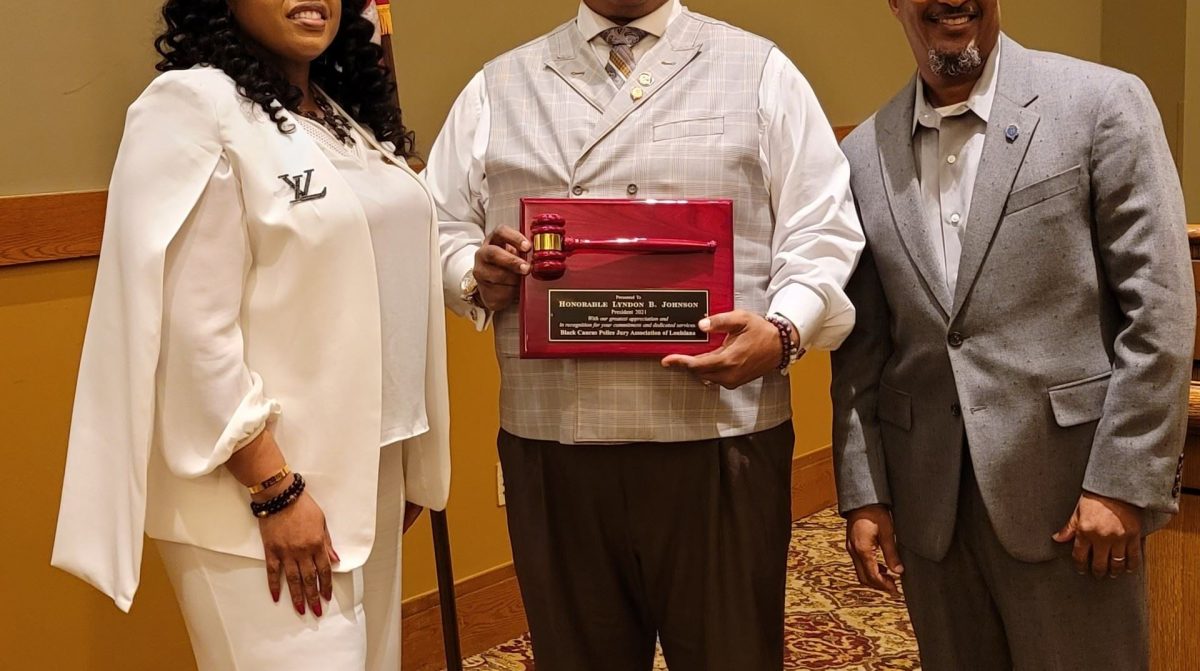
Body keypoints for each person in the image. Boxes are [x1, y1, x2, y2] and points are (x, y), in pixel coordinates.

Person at [425, 0, 864, 668]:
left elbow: (822, 227)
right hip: (555, 448)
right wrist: (472, 273)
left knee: (732, 656)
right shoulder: (497, 86)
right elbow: (437, 223)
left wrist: (784, 330)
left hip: (722, 441)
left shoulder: (760, 70)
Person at [51, 1, 450, 669]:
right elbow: (189, 331)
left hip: (367, 474)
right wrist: (275, 489)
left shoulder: (335, 113)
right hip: (262, 495)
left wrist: (402, 465)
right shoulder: (192, 106)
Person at [832, 1, 1194, 669]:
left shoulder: (1102, 104)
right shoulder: (860, 155)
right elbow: (863, 349)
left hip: (1074, 502)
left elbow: (1160, 310)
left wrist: (1122, 481)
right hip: (930, 508)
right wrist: (866, 491)